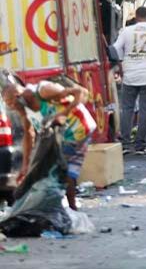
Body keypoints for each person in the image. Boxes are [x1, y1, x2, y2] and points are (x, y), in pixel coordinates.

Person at [2, 76, 95, 211]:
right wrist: (25, 166)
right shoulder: (24, 109)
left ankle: (69, 208)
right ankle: (67, 208)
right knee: (58, 170)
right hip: (63, 135)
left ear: (19, 96)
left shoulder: (43, 91)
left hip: (78, 128)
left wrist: (63, 113)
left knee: (59, 169)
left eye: (11, 103)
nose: (12, 108)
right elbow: (29, 135)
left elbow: (79, 92)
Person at [112, 6, 146, 155]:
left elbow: (115, 48)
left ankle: (125, 144)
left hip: (130, 75)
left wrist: (120, 64)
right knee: (145, 110)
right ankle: (140, 145)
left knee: (127, 109)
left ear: (136, 17)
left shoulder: (126, 31)